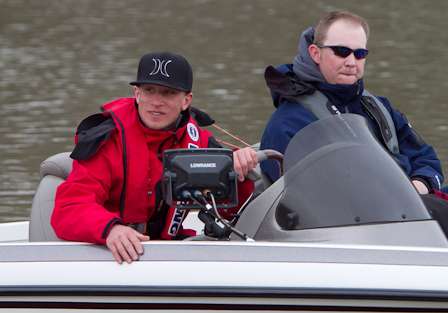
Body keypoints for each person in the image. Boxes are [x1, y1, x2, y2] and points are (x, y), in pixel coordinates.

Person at [51, 52, 258, 264]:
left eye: (168, 93)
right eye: (149, 91)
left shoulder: (201, 142)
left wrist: (239, 173)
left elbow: (228, 214)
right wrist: (111, 229)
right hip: (112, 258)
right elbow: (68, 209)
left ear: (186, 100)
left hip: (170, 255)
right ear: (137, 94)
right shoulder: (107, 140)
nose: (156, 102)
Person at [260, 11, 444, 195]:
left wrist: (417, 187)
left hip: (412, 209)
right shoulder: (287, 123)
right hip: (352, 219)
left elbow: (427, 160)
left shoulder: (380, 107)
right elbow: (300, 200)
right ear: (316, 54)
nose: (351, 62)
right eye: (342, 52)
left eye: (360, 54)